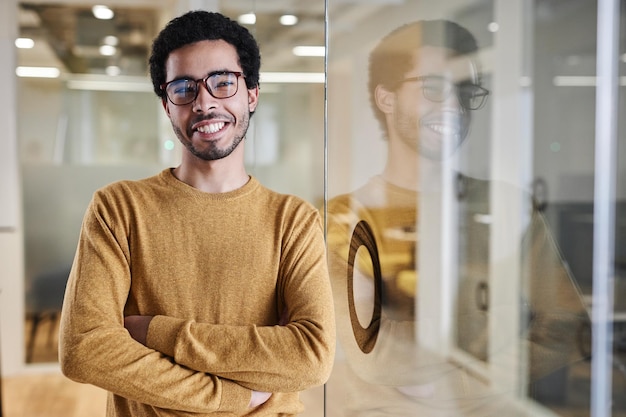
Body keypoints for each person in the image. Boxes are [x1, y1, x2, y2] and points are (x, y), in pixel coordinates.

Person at [59, 10, 335, 417]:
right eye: (184, 88)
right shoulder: (118, 209)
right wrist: (229, 397)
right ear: (167, 106)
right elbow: (85, 349)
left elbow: (311, 356)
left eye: (222, 82)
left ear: (252, 93)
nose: (204, 102)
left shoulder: (293, 220)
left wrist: (155, 331)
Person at [325, 20, 589, 416]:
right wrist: (488, 363)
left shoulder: (503, 204)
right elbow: (374, 357)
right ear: (387, 98)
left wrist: (471, 381)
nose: (453, 106)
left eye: (465, 91)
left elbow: (566, 324)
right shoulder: (346, 216)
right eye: (433, 87)